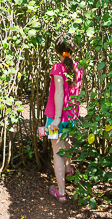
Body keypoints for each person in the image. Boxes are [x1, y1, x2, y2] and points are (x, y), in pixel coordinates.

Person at [44, 36, 84, 203]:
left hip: (55, 118)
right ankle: (69, 171)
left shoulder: (57, 67)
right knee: (66, 142)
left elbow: (59, 93)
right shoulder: (77, 67)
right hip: (72, 116)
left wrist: (56, 119)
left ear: (56, 51)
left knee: (57, 152)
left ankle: (61, 192)